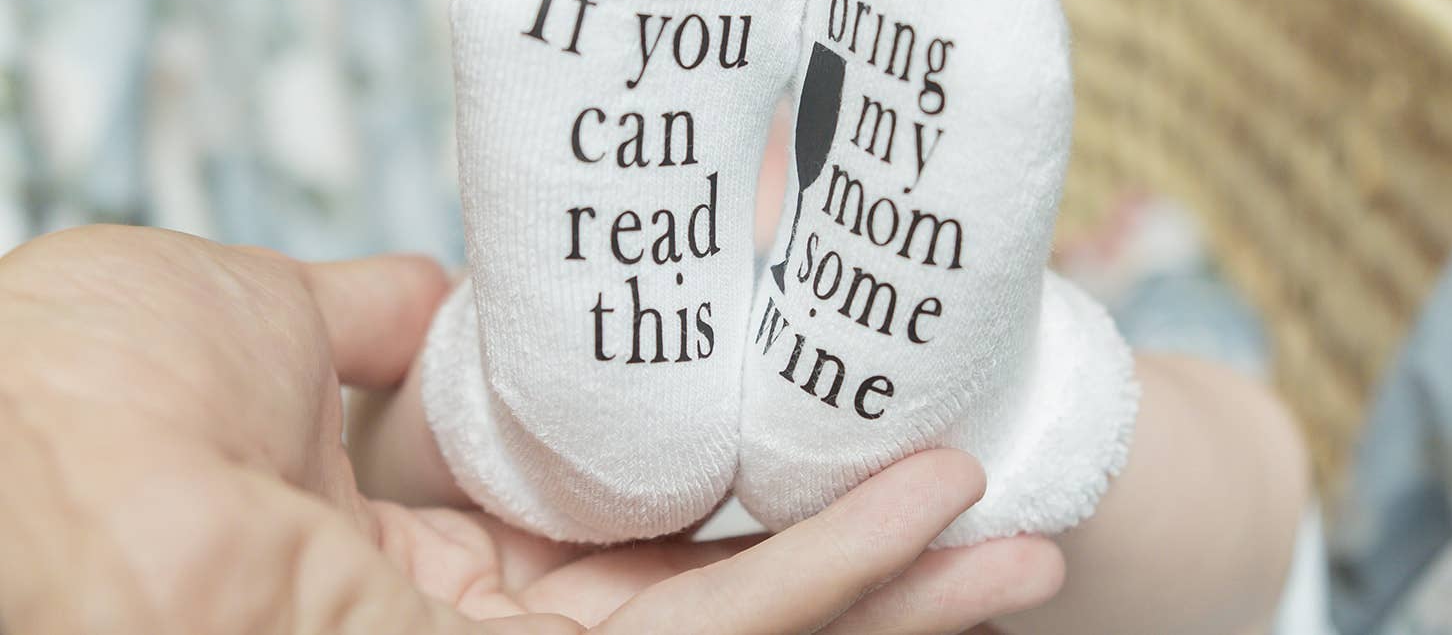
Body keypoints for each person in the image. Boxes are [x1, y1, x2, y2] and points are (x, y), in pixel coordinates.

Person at [0, 224, 1307, 634]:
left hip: (938, 492)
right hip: (596, 479)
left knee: (1161, 472)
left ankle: (1019, 390)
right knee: (1222, 460)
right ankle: (522, 398)